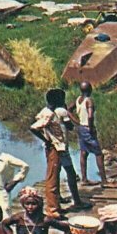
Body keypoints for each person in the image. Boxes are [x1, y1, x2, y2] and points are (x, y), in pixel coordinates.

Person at [31, 89, 73, 217]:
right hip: (55, 147)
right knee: (52, 179)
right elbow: (33, 127)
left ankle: (56, 204)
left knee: (55, 175)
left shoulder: (45, 111)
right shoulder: (50, 114)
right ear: (58, 101)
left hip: (55, 147)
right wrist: (47, 140)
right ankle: (52, 209)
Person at [71, 81, 116, 190]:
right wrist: (91, 128)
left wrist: (76, 122)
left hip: (81, 128)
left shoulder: (78, 100)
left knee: (83, 152)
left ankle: (84, 179)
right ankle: (104, 181)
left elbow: (68, 110)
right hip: (87, 128)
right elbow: (90, 116)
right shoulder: (89, 101)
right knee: (99, 153)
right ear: (90, 90)